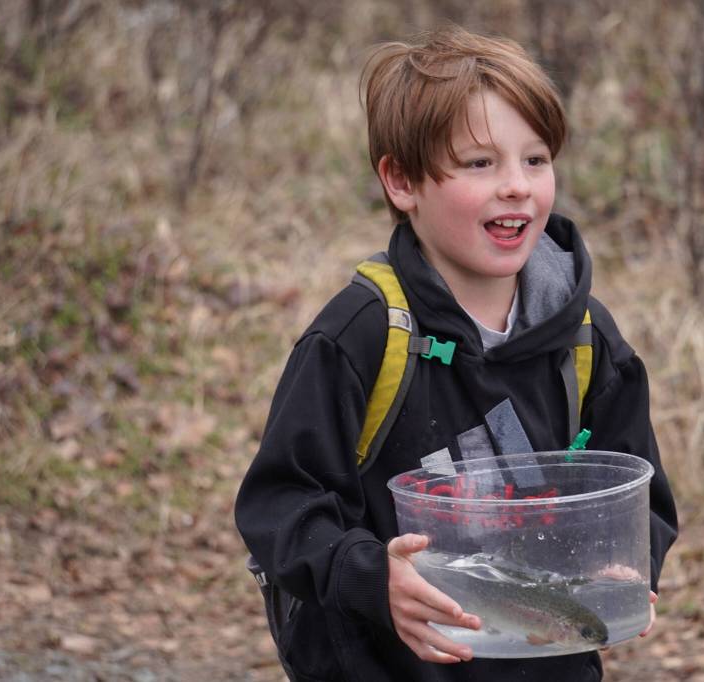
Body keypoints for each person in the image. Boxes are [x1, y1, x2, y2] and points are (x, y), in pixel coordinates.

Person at [235, 25, 678, 682]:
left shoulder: (586, 336)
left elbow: (637, 493)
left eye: (536, 160)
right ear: (403, 181)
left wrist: (625, 563)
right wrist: (369, 575)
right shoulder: (360, 336)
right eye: (481, 163)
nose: (517, 186)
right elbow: (280, 506)